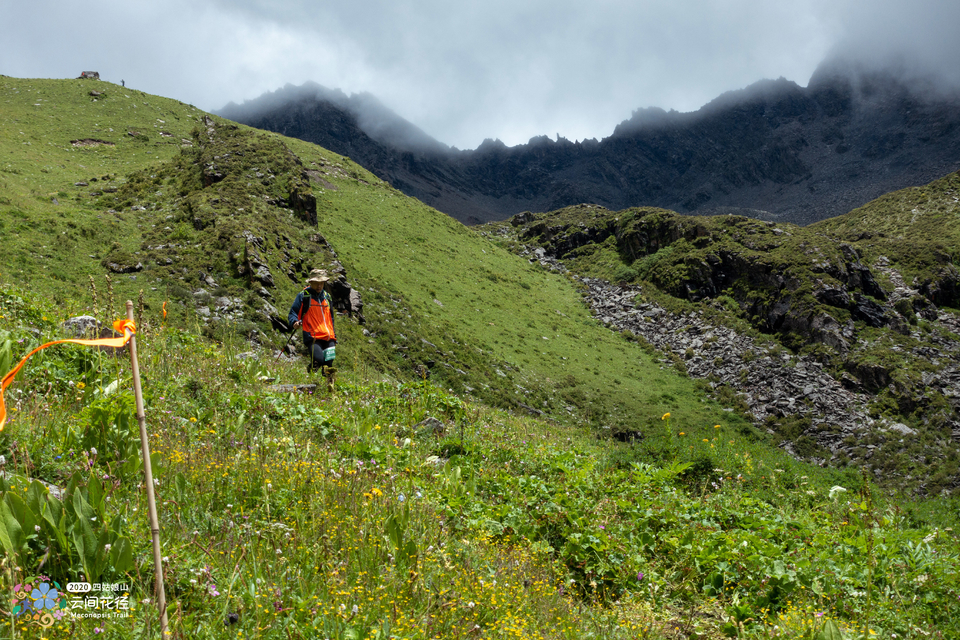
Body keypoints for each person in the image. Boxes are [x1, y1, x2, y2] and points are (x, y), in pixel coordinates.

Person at [287, 269, 337, 390]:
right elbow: (293, 312)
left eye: (322, 283)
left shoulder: (327, 297)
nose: (319, 285)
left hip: (328, 335)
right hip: (312, 335)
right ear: (310, 282)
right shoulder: (304, 295)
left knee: (329, 363)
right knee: (319, 359)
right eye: (316, 283)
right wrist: (294, 322)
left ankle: (329, 387)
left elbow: (331, 317)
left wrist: (334, 334)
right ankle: (310, 373)